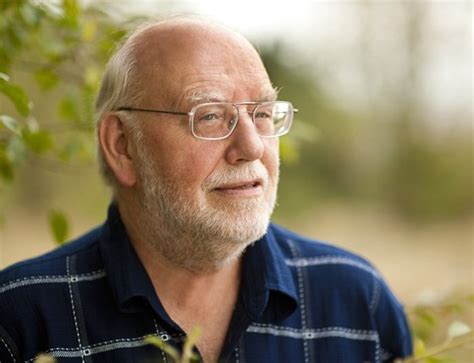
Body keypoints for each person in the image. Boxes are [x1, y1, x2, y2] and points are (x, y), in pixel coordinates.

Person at [0, 17, 412, 363]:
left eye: (263, 114)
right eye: (211, 116)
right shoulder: (21, 319)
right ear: (122, 146)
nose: (252, 147)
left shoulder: (358, 302)